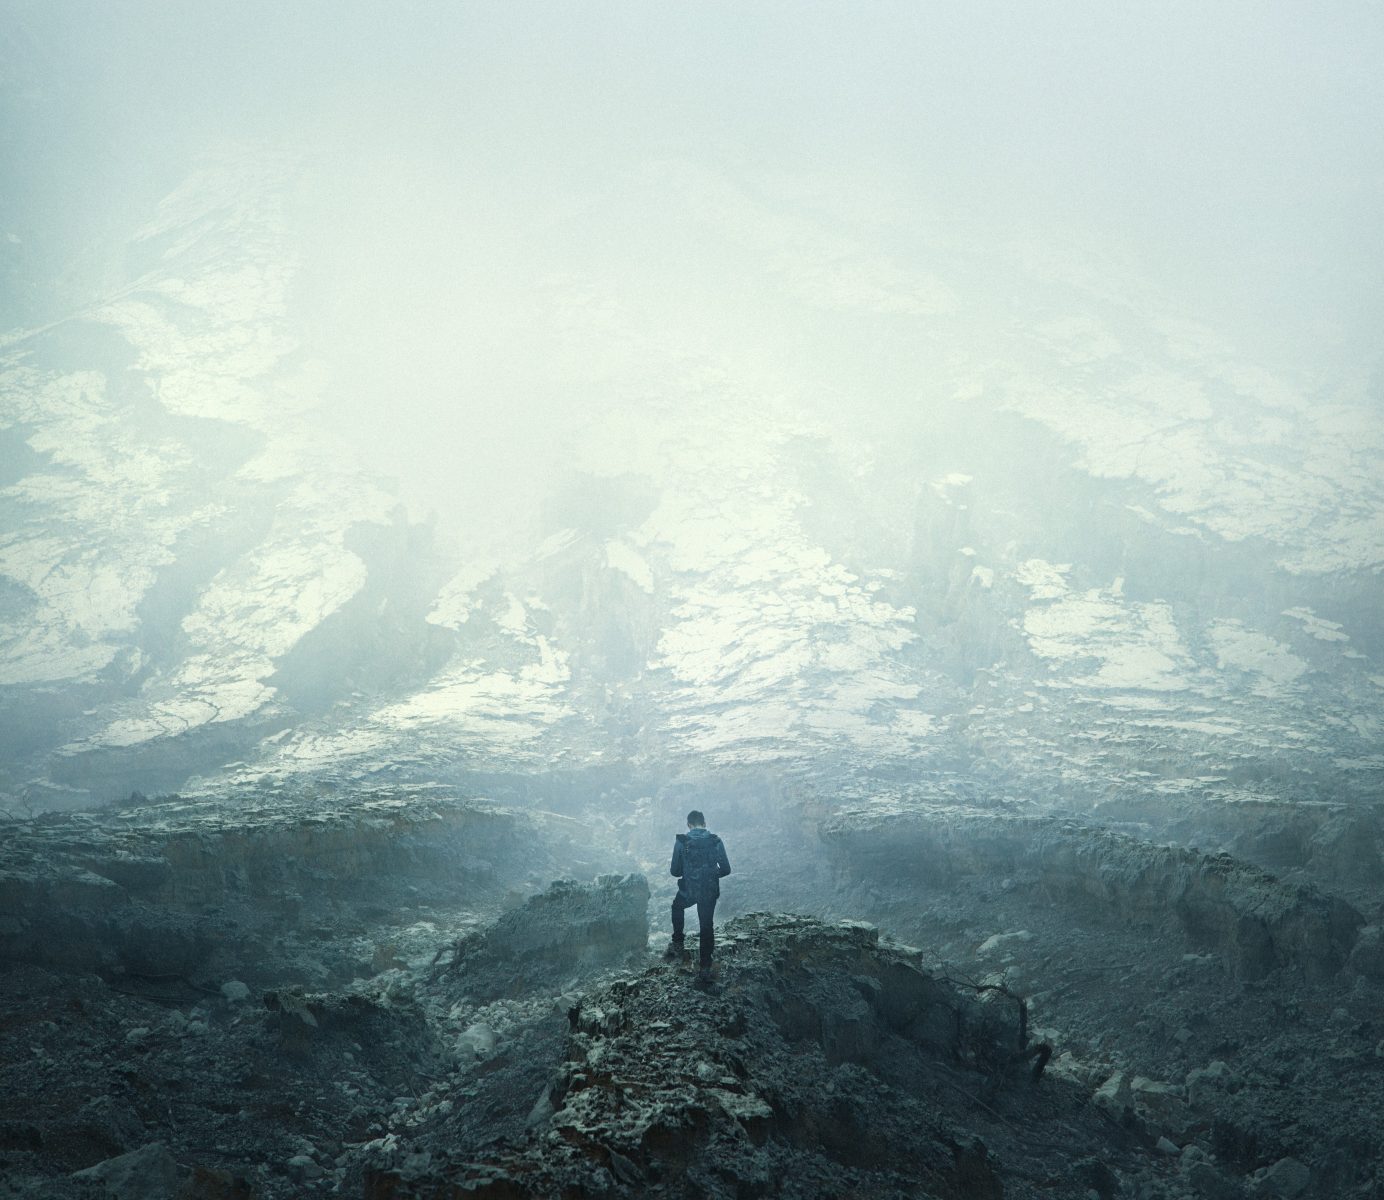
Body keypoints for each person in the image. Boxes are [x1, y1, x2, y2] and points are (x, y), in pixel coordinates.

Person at [664, 810, 731, 985]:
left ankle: (678, 942)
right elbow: (726, 869)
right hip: (709, 890)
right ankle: (705, 968)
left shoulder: (682, 841)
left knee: (677, 907)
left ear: (689, 825)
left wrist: (691, 873)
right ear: (705, 823)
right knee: (706, 926)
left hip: (689, 890)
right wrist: (709, 875)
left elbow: (675, 871)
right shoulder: (716, 840)